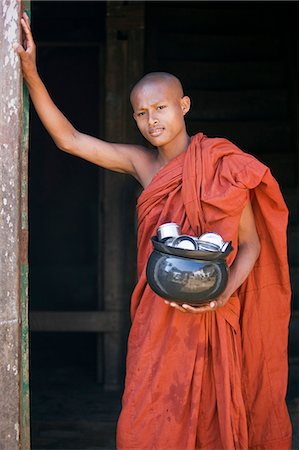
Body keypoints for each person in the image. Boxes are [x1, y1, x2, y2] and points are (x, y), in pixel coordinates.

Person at [14, 12, 292, 450]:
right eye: (141, 113)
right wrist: (30, 73)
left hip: (214, 313)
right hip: (157, 315)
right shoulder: (143, 164)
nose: (151, 120)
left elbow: (253, 245)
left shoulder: (224, 166)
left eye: (160, 108)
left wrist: (222, 295)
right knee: (144, 420)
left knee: (213, 419)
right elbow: (69, 140)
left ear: (183, 106)